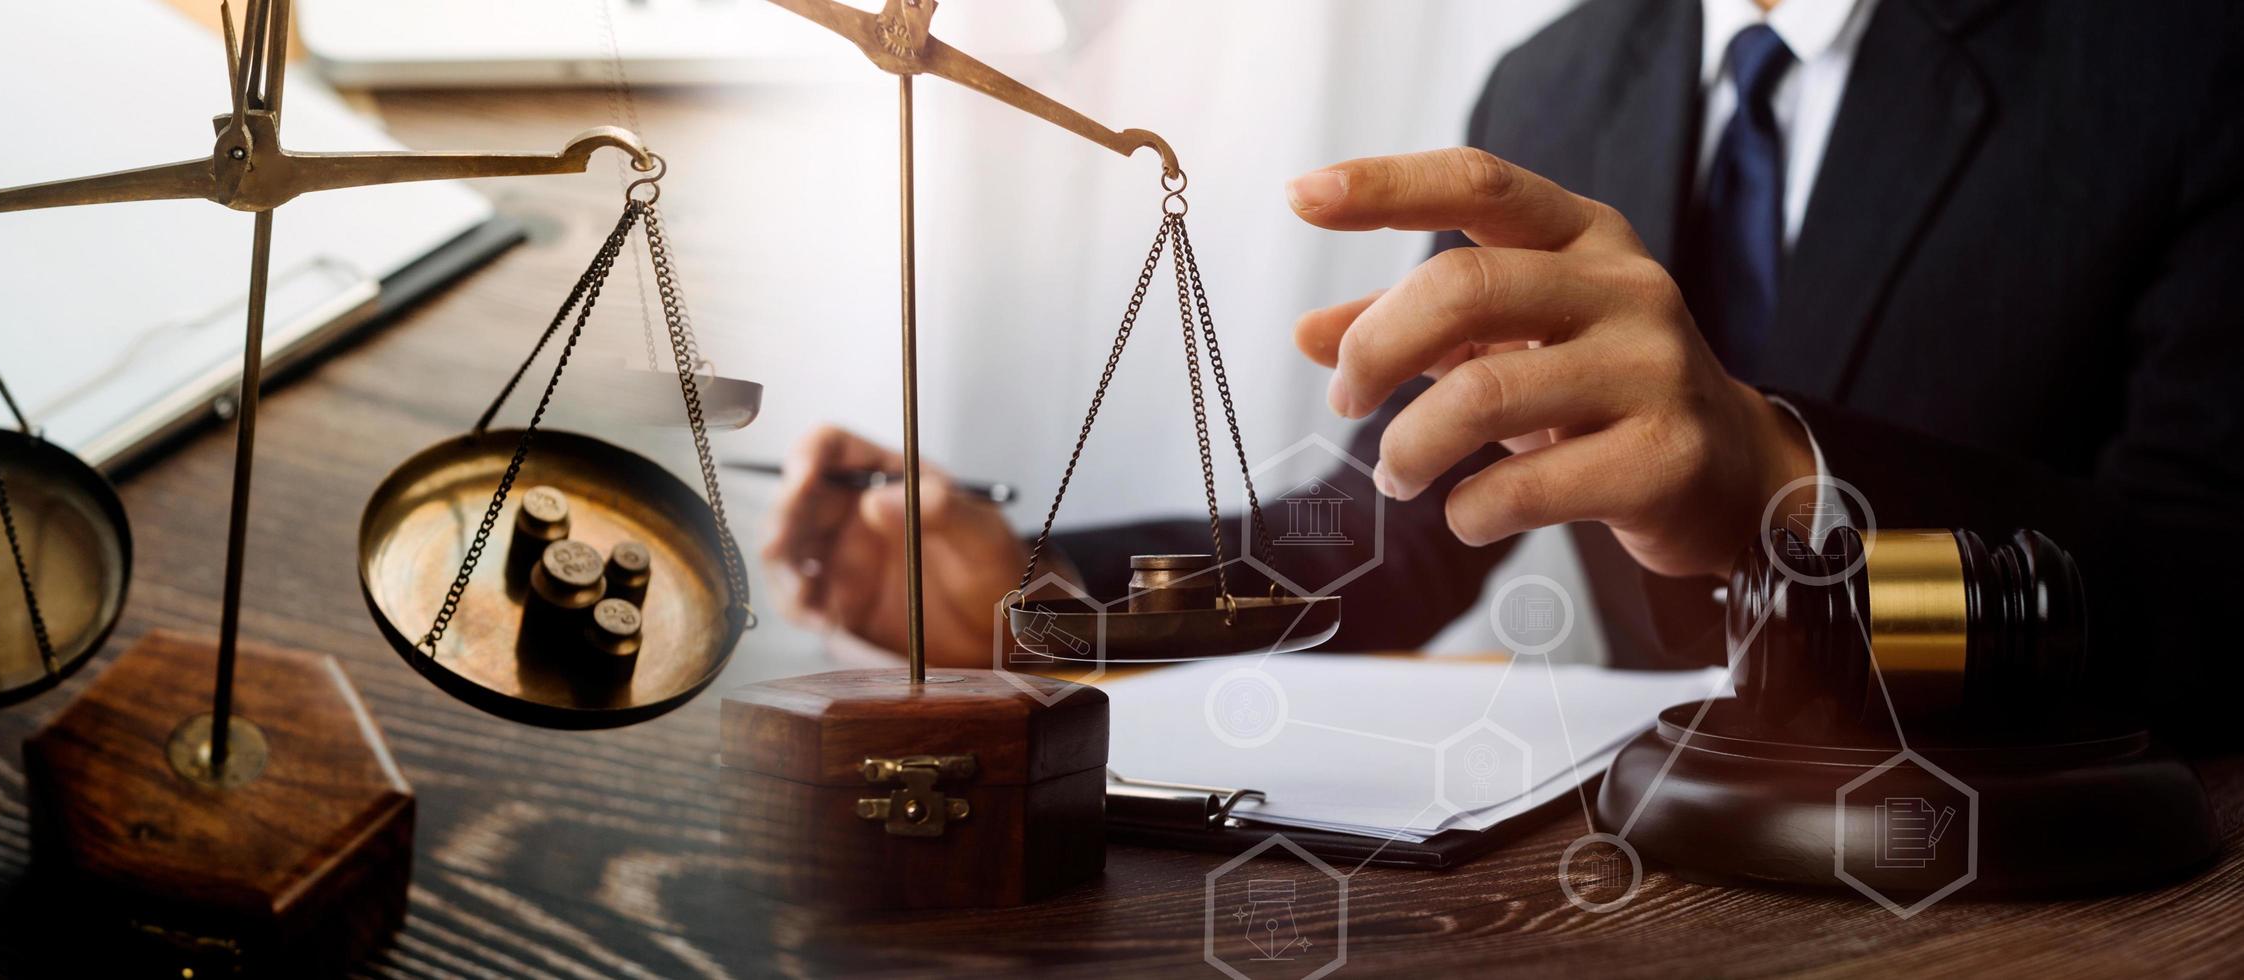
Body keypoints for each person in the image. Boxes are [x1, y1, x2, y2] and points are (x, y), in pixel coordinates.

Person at [763, 0, 2244, 722]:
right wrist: (1037, 593)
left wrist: (1792, 485)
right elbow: (1385, 542)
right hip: (1645, 879)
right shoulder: (1551, 87)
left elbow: (2206, 596)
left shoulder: (2177, 57)